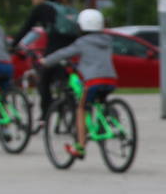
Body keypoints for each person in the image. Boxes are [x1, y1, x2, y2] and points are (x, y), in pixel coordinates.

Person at [39, 9, 116, 160]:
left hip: (93, 81)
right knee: (98, 102)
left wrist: (46, 61)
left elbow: (64, 53)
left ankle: (80, 147)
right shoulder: (107, 40)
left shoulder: (82, 42)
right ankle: (108, 120)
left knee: (81, 108)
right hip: (111, 80)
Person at [11, 0, 78, 124]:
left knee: (44, 78)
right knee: (65, 79)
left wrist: (12, 46)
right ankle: (70, 106)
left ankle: (45, 114)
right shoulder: (62, 7)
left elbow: (26, 28)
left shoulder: (42, 8)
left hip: (55, 46)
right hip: (71, 45)